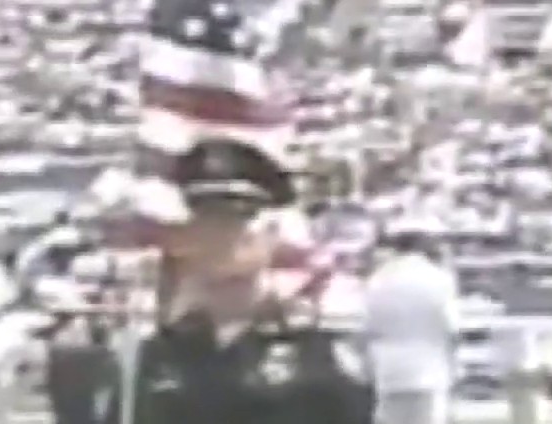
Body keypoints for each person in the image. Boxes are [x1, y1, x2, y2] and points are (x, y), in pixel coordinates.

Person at [111, 138, 368, 424]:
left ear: (272, 234)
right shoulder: (153, 357)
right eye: (207, 218)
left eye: (238, 218)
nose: (221, 234)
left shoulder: (317, 356)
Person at [360, 215, 461, 424]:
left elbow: (367, 327)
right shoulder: (439, 278)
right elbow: (451, 326)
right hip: (429, 367)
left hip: (388, 369)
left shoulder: (378, 279)